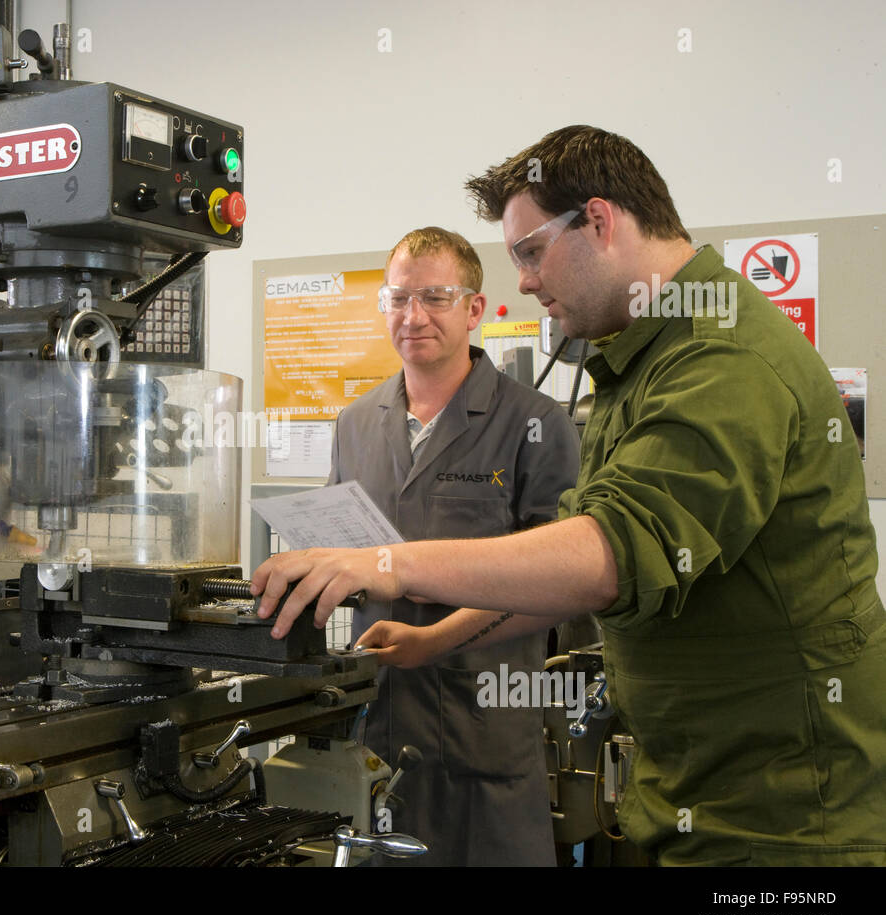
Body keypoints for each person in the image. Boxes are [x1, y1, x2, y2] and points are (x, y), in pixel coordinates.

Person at [253, 126, 886, 866]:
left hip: (784, 822)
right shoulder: (639, 361)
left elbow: (605, 555)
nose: (524, 279)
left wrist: (387, 564)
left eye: (529, 251)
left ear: (599, 220)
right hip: (697, 794)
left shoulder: (720, 359)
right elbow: (560, 579)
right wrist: (431, 639)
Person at [328, 227, 579, 866]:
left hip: (485, 734)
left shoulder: (537, 425)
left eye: (436, 298)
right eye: (398, 298)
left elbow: (559, 584)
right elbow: (340, 554)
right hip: (378, 732)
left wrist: (435, 640)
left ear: (473, 309)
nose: (414, 317)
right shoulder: (355, 424)